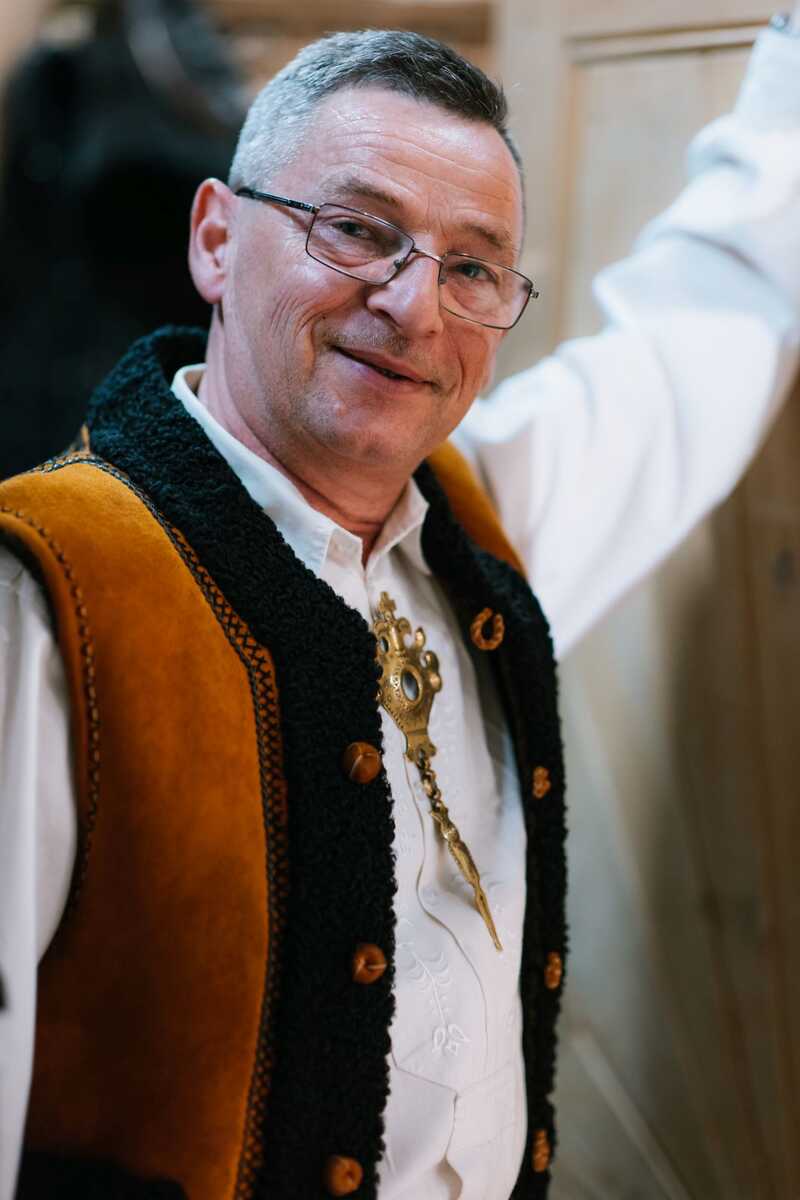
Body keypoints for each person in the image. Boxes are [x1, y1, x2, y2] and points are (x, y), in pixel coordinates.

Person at [1, 19, 800, 1200]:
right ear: (215, 238)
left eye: (472, 268)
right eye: (357, 230)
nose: (415, 307)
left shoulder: (481, 537)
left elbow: (686, 350)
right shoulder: (45, 595)